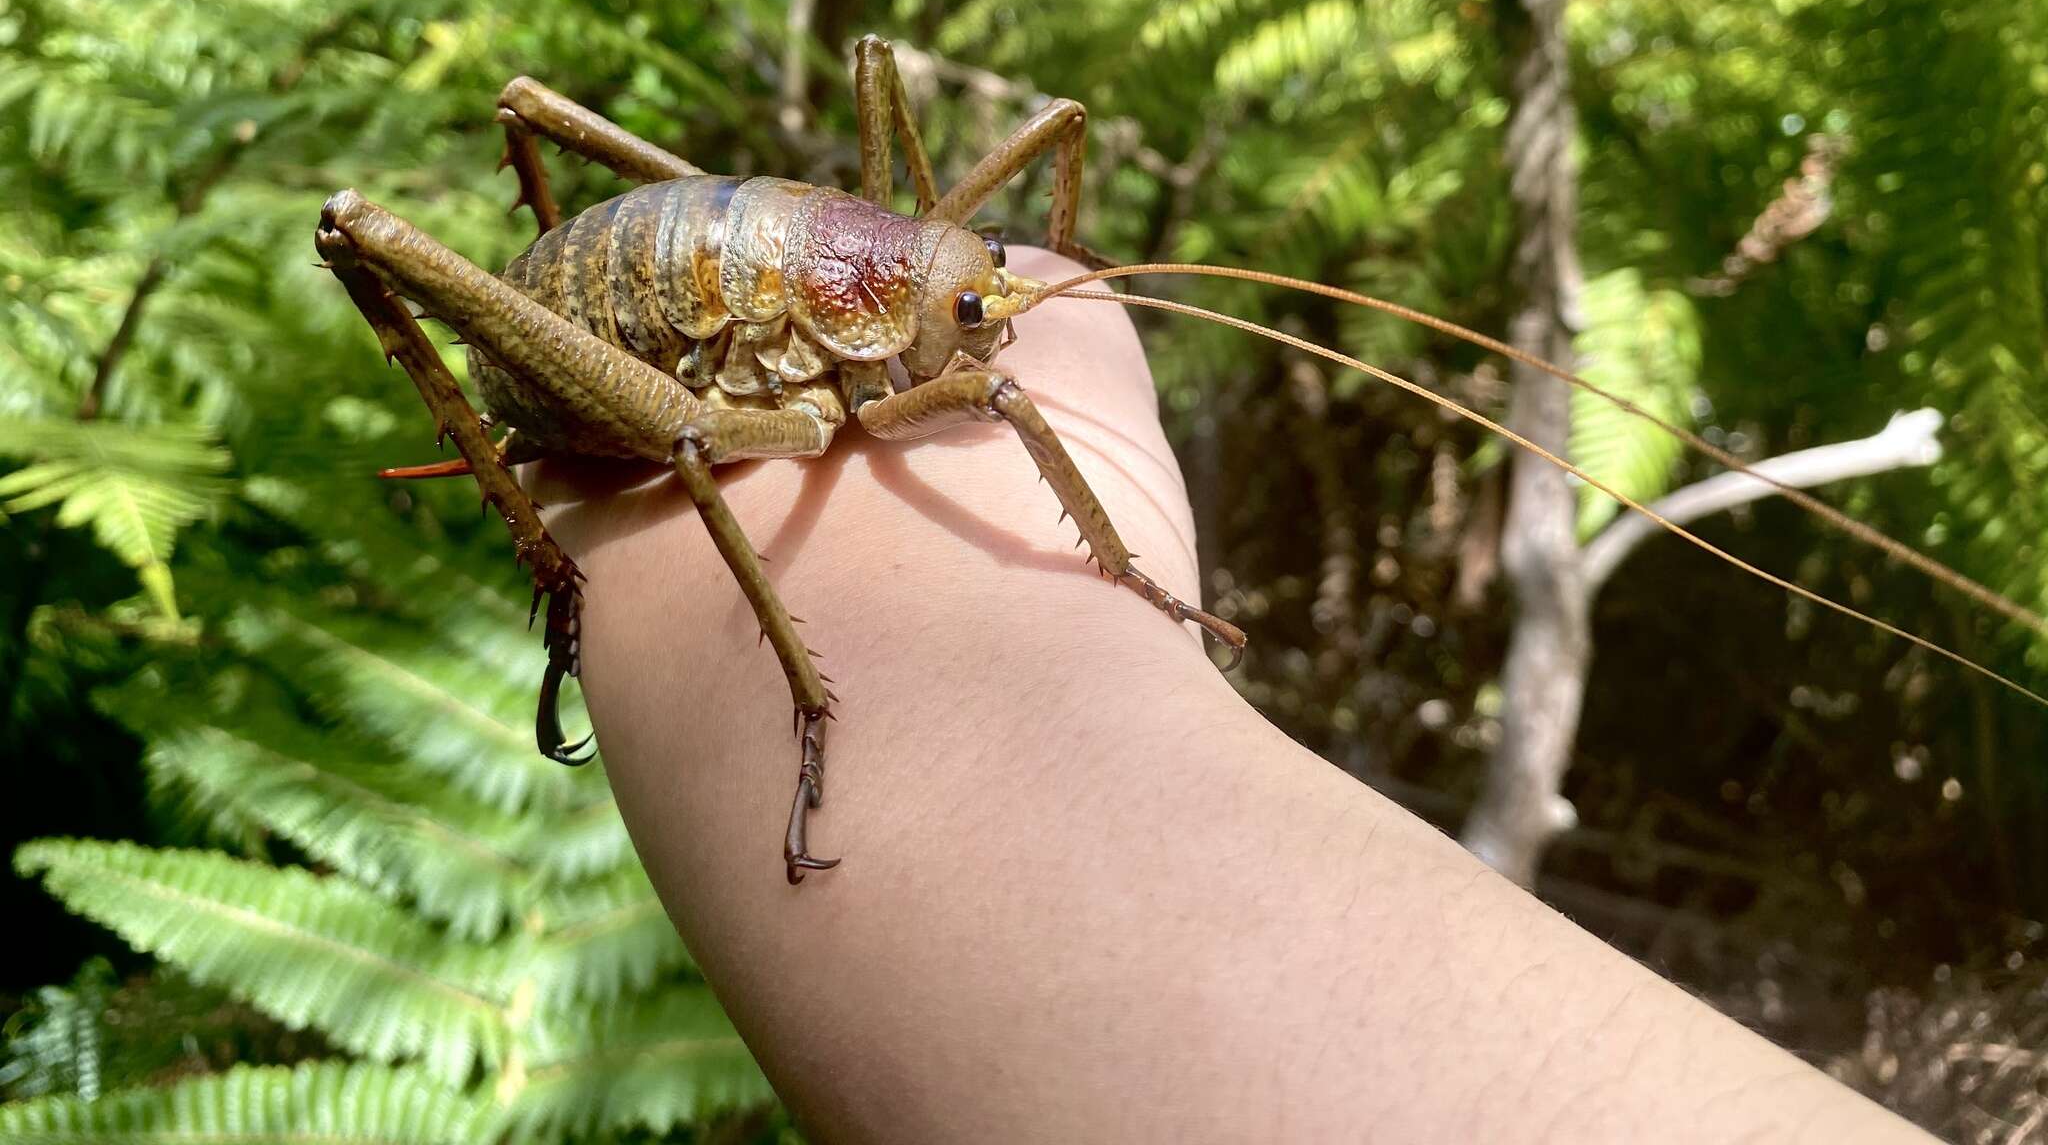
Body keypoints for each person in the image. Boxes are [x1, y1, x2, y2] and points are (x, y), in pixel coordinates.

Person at [532, 248, 1927, 1144]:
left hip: (760, 254)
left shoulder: (922, 285)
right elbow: (702, 449)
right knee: (707, 442)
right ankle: (808, 695)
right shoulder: (843, 340)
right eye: (971, 319)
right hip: (638, 330)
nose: (995, 342)